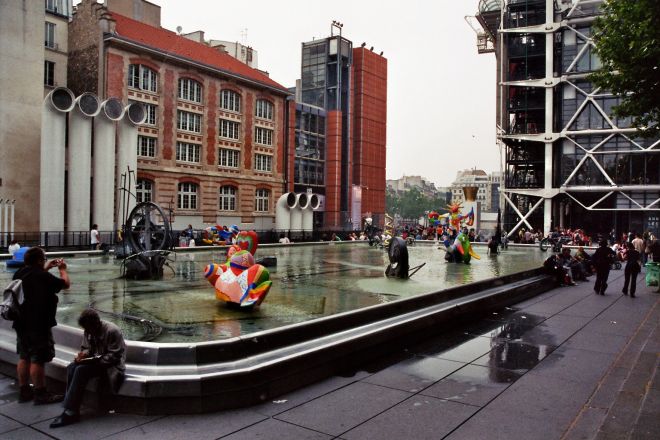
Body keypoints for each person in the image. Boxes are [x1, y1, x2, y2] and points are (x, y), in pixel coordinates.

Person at [12, 247, 70, 404]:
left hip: (21, 322)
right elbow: (65, 284)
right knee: (38, 359)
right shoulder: (43, 276)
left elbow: (34, 278)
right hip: (38, 324)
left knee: (24, 356)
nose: (45, 260)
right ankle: (40, 393)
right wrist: (62, 269)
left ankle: (24, 391)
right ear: (39, 260)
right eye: (43, 258)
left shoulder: (20, 273)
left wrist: (46, 268)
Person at [50, 309, 126, 428]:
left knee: (81, 370)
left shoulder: (112, 331)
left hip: (110, 365)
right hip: (95, 360)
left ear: (96, 324)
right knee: (72, 367)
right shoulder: (88, 330)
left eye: (89, 329)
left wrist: (95, 361)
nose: (87, 332)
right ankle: (70, 402)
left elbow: (115, 355)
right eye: (86, 329)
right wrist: (84, 355)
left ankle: (71, 412)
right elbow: (86, 347)